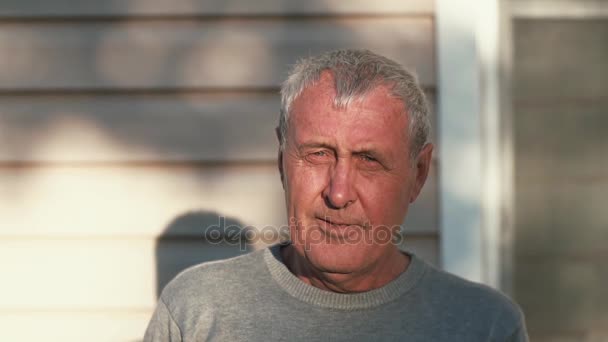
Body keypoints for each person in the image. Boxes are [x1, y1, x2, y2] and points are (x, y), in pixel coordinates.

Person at [144, 49, 528, 341]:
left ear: (418, 174)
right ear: (282, 160)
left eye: (369, 160)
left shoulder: (484, 326)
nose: (339, 193)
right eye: (318, 154)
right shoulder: (196, 311)